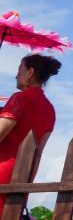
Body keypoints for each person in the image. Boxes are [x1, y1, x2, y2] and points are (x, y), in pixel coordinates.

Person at [0, 54, 59, 208]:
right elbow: (38, 152)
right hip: (24, 174)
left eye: (20, 70)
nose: (16, 75)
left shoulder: (19, 99)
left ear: (30, 72)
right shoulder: (50, 109)